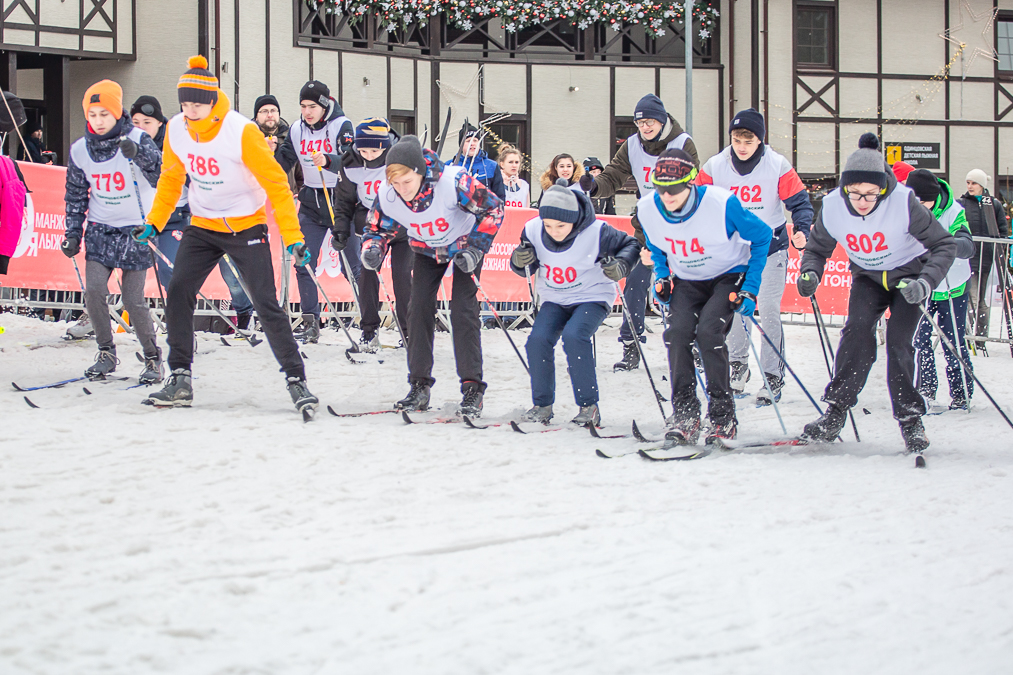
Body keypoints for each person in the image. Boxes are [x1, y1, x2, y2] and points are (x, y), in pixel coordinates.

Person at [132, 56, 316, 415]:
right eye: (184, 104)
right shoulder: (176, 129)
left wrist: (293, 237)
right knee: (180, 290)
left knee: (265, 302)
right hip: (203, 225)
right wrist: (155, 221)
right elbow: (171, 178)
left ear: (213, 100)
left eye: (197, 104)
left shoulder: (241, 131)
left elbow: (277, 183)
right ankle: (180, 377)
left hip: (245, 224)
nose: (191, 111)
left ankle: (296, 379)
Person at [796, 134, 956, 453]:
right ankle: (835, 412)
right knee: (856, 332)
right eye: (855, 193)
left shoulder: (905, 203)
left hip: (908, 277)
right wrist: (810, 272)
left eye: (872, 194)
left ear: (884, 187)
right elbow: (817, 249)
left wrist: (925, 282)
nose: (864, 201)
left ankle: (910, 421)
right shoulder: (832, 206)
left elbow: (944, 245)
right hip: (868, 277)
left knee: (898, 342)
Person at [362, 135, 504, 416]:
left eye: (407, 181)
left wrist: (476, 248)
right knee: (418, 311)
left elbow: (494, 208)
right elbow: (377, 228)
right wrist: (373, 249)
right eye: (395, 183)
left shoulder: (453, 181)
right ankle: (419, 385)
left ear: (420, 172)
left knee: (463, 311)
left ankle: (472, 388)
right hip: (426, 250)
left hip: (464, 246)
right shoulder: (388, 195)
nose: (402, 189)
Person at [639, 149, 771, 445]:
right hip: (688, 279)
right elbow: (655, 243)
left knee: (709, 332)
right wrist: (662, 276)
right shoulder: (647, 208)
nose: (667, 196)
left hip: (728, 274)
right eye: (660, 189)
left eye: (674, 189)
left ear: (691, 183)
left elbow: (763, 235)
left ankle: (723, 417)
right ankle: (686, 413)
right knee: (677, 334)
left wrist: (750, 287)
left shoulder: (721, 203)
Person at [696, 109, 813, 405]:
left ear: (760, 140)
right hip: (733, 251)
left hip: (771, 246)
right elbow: (694, 200)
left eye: (748, 140)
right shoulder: (715, 166)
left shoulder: (776, 165)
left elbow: (800, 202)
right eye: (737, 140)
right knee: (735, 307)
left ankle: (772, 375)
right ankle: (738, 366)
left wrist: (801, 229)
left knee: (770, 309)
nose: (742, 147)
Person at [578, 94, 700, 372]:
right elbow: (613, 175)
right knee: (634, 283)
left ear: (662, 120)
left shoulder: (682, 143)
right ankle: (630, 344)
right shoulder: (632, 145)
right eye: (639, 122)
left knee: (685, 288)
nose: (644, 127)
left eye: (650, 122)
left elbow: (695, 182)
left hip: (682, 228)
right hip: (648, 228)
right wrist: (594, 186)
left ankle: (692, 346)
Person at [510, 179, 638, 426]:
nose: (554, 231)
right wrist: (519, 261)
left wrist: (621, 265)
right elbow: (525, 263)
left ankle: (588, 406)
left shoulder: (598, 231)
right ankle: (542, 404)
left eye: (561, 225)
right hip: (555, 298)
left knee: (574, 336)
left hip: (592, 296)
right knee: (537, 340)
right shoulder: (533, 229)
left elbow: (630, 244)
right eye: (548, 225)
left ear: (575, 219)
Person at [60, 80, 162, 383]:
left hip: (136, 230)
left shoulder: (138, 137)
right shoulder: (80, 150)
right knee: (93, 292)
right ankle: (106, 352)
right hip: (101, 229)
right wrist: (73, 232)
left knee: (133, 299)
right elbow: (76, 194)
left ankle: (153, 357)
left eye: (105, 114)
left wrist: (139, 154)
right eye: (92, 115)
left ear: (117, 112)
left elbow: (161, 174)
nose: (98, 121)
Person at [130, 94, 255, 335]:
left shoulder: (175, 142)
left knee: (182, 269)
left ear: (159, 123)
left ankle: (242, 312)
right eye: (136, 122)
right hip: (142, 219)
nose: (141, 128)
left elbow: (172, 178)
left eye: (147, 122)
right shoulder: (126, 145)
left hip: (183, 215)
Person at [277, 80, 356, 343]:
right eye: (302, 106)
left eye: (312, 106)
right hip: (311, 200)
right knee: (303, 260)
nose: (307, 112)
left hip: (340, 200)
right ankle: (311, 322)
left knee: (352, 265)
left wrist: (329, 160)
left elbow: (351, 161)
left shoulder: (340, 125)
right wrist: (269, 157)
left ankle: (369, 323)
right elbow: (284, 161)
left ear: (324, 106)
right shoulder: (297, 129)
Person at [329, 117, 410, 351]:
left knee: (403, 277)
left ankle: (408, 331)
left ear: (385, 145)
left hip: (401, 224)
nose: (368, 154)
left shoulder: (399, 159)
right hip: (371, 225)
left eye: (374, 149)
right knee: (367, 275)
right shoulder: (350, 162)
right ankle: (369, 330)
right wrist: (341, 230)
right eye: (363, 149)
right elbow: (343, 201)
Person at [907, 170, 975, 411]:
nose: (920, 207)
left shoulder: (954, 211)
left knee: (953, 343)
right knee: (920, 340)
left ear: (934, 198)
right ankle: (925, 390)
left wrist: (945, 245)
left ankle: (961, 393)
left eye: (924, 201)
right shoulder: (908, 211)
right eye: (916, 202)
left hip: (952, 286)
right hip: (924, 286)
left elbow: (968, 245)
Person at [960, 168, 1010, 340]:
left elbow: (1002, 229)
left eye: (974, 183)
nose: (970, 186)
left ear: (982, 185)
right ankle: (970, 335)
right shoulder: (962, 203)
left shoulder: (994, 204)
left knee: (982, 300)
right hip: (969, 259)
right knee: (972, 297)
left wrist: (1000, 252)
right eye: (968, 182)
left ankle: (981, 336)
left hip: (988, 260)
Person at [252, 94, 297, 192]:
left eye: (273, 110)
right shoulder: (247, 139)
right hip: (258, 202)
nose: (269, 115)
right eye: (264, 111)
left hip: (287, 200)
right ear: (256, 117)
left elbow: (301, 174)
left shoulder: (290, 139)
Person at [450, 124, 505, 200]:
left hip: (484, 210)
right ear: (461, 145)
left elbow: (500, 196)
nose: (472, 144)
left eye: (475, 140)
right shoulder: (450, 166)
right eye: (468, 141)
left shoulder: (491, 166)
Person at [498, 144, 530, 208]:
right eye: (510, 162)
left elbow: (527, 210)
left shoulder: (524, 185)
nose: (514, 165)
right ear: (502, 164)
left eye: (517, 162)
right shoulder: (496, 184)